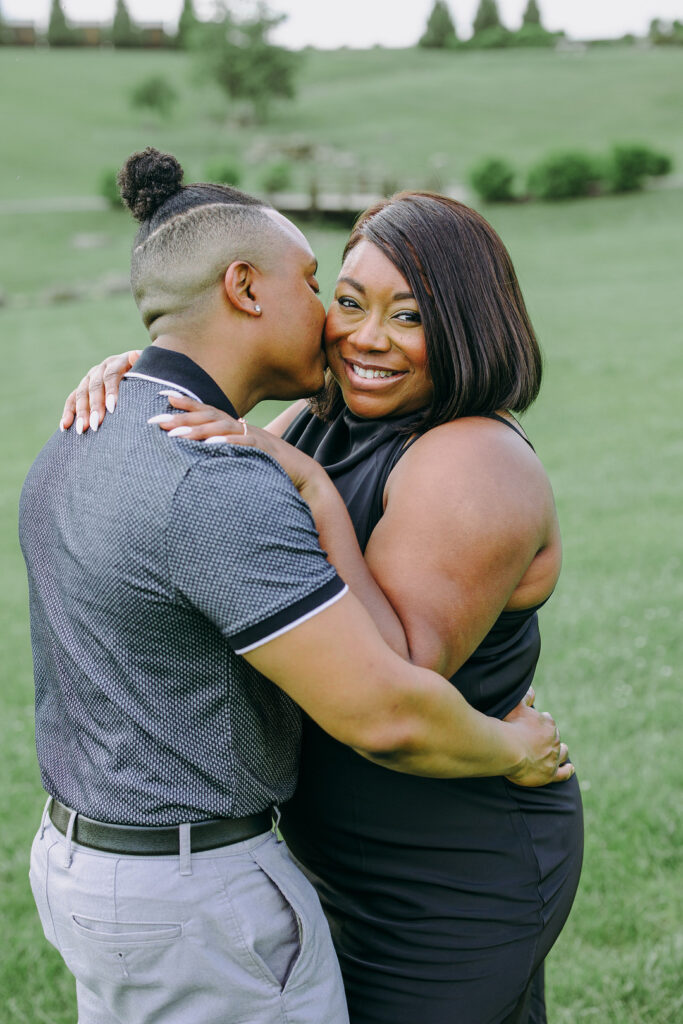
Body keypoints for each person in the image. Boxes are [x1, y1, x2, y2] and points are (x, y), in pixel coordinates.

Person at [23, 151, 571, 1024]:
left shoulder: (470, 459)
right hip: (327, 858)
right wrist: (149, 365)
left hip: (441, 863)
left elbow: (400, 682)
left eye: (410, 316)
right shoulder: (319, 419)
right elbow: (207, 405)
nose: (359, 334)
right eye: (344, 299)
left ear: (466, 326)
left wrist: (313, 491)